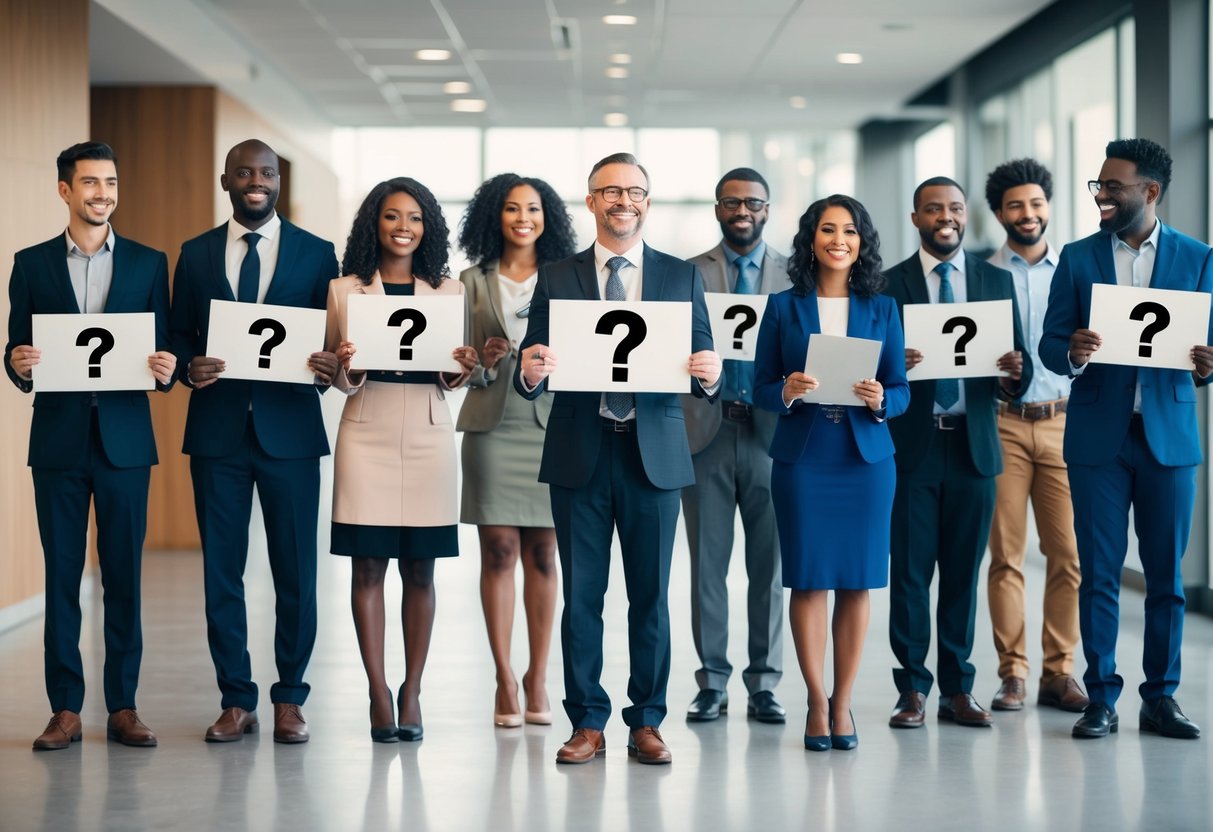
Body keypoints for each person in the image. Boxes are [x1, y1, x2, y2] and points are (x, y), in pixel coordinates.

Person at [514, 152, 721, 765]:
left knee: (650, 596)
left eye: (634, 191)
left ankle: (648, 720)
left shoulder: (680, 276)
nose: (622, 201)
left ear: (648, 203)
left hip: (652, 454)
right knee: (582, 596)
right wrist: (530, 373)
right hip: (581, 452)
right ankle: (587, 722)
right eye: (610, 191)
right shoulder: (557, 276)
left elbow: (704, 355)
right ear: (591, 201)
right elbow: (534, 363)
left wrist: (708, 373)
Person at [6, 141, 176, 750]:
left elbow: (168, 350)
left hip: (126, 442)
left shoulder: (149, 263)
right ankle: (65, 709)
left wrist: (166, 366)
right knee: (62, 576)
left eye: (110, 182)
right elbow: (16, 352)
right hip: (58, 442)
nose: (103, 193)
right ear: (65, 191)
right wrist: (19, 363)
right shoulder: (30, 265)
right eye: (90, 183)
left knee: (124, 578)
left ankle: (124, 706)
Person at [169, 139, 340, 744]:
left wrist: (325, 367)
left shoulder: (320, 255)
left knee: (296, 571)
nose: (256, 181)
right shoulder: (193, 255)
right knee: (223, 571)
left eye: (266, 172)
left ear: (277, 181)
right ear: (226, 180)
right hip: (218, 435)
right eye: (245, 172)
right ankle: (236, 699)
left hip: (290, 434)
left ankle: (291, 698)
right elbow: (178, 333)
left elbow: (334, 339)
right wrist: (190, 365)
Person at [1041, 138, 1212, 740]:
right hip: (1098, 442)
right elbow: (1049, 344)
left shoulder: (1198, 257)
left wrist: (1207, 363)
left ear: (1151, 191)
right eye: (1098, 186)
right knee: (1101, 574)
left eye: (1113, 187)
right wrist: (1073, 351)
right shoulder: (1079, 256)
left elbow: (1209, 352)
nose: (1102, 196)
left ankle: (1160, 698)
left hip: (1167, 437)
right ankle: (1101, 697)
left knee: (1166, 578)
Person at [753, 195, 908, 751]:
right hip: (805, 458)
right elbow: (759, 385)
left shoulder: (883, 308)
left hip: (866, 459)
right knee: (809, 577)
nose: (838, 239)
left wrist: (883, 399)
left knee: (857, 581)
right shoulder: (782, 307)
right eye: (827, 229)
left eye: (849, 230)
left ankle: (844, 704)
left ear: (861, 241)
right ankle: (816, 703)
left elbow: (903, 389)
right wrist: (787, 392)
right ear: (811, 240)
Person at [326, 177, 476, 742]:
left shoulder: (449, 290)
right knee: (367, 566)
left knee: (421, 567)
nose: (403, 227)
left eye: (414, 217)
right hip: (367, 428)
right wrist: (346, 365)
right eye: (392, 217)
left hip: (430, 433)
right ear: (375, 224)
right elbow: (335, 378)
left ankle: (412, 690)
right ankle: (377, 691)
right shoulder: (344, 290)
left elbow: (452, 375)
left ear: (428, 227)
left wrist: (462, 366)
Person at [883, 176, 1030, 730]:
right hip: (913, 448)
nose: (946, 216)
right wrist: (897, 363)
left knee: (963, 574)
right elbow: (874, 366)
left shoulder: (995, 277)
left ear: (966, 215)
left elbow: (1018, 369)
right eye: (933, 209)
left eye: (955, 208)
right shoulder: (888, 282)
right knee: (912, 574)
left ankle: (958, 690)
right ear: (916, 216)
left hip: (975, 449)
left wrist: (1016, 373)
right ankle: (912, 690)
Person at [455, 173, 576, 728]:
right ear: (494, 217)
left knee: (546, 555)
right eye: (510, 208)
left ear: (547, 216)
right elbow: (454, 365)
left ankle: (538, 676)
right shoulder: (470, 282)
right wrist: (482, 357)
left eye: (532, 208)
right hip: (493, 425)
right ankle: (505, 676)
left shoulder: (567, 278)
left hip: (554, 426)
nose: (522, 218)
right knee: (499, 552)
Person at [681, 168, 791, 724]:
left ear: (767, 209)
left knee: (768, 567)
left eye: (753, 202)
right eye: (731, 202)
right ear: (718, 208)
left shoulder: (796, 274)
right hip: (707, 430)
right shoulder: (687, 274)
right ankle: (713, 682)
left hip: (775, 432)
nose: (742, 210)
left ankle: (765, 682)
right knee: (707, 565)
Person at [982, 159, 1087, 714]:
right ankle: (1014, 673)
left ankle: (1060, 670)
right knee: (1006, 556)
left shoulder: (1073, 269)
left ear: (1048, 206)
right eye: (1016, 205)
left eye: (1036, 203)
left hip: (1065, 420)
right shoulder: (982, 277)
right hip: (1002, 423)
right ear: (1000, 213)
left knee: (1068, 554)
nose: (1028, 214)